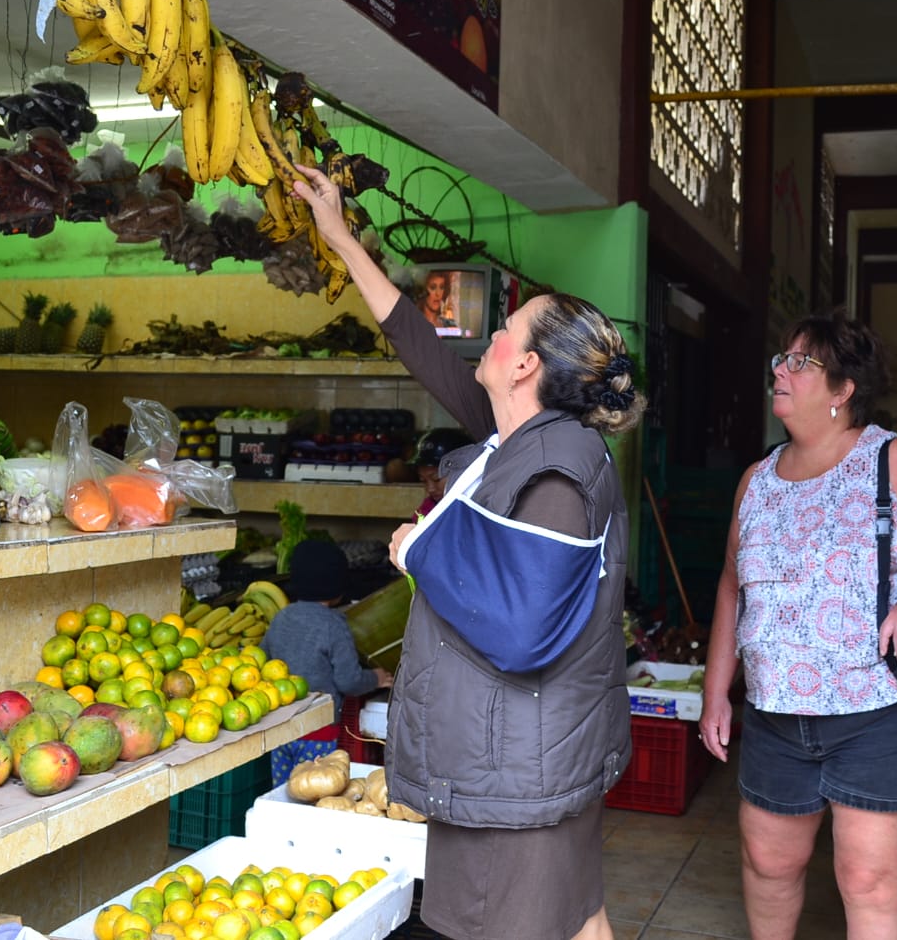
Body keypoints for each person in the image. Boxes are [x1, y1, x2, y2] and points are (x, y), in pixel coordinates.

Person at [295, 163, 645, 940]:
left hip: (514, 766)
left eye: (507, 331)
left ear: (526, 366)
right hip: (527, 755)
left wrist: (422, 551)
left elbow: (520, 626)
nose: (490, 336)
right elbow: (422, 348)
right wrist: (341, 240)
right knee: (578, 913)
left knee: (514, 922)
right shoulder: (518, 440)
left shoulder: (556, 467)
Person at [697, 310, 897, 940]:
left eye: (801, 362)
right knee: (769, 864)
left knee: (870, 882)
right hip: (775, 715)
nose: (780, 372)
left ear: (844, 389)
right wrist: (717, 691)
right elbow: (732, 588)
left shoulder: (893, 460)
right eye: (780, 360)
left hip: (881, 714)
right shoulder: (756, 481)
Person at [262, 539, 395, 783]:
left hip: (279, 730)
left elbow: (264, 662)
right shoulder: (334, 625)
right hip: (319, 733)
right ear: (339, 587)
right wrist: (376, 677)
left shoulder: (281, 618)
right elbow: (349, 681)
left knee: (282, 792)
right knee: (315, 791)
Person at [409, 425, 473, 518]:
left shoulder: (481, 509)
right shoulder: (426, 511)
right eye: (424, 481)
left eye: (436, 479)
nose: (430, 489)